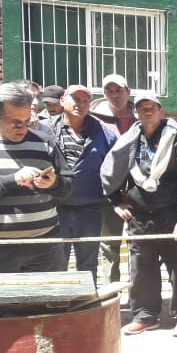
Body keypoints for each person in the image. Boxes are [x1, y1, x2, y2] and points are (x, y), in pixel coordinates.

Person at [102, 92, 177, 337]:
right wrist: (116, 202)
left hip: (172, 217)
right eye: (142, 108)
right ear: (135, 112)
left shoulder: (176, 141)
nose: (147, 112)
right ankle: (145, 316)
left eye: (152, 107)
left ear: (161, 111)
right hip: (140, 218)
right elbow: (113, 172)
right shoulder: (129, 142)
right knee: (141, 268)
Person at [0, 82, 74, 273]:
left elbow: (69, 185)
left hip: (45, 247)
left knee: (50, 293)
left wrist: (54, 183)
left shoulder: (44, 141)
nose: (23, 128)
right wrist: (12, 180)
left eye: (27, 121)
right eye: (16, 122)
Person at [49, 84, 117, 283]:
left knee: (88, 264)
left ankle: (87, 299)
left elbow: (114, 169)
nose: (80, 104)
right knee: (55, 261)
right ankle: (57, 300)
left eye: (85, 101)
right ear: (63, 100)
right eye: (76, 99)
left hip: (90, 208)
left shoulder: (103, 134)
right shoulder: (45, 130)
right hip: (55, 207)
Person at [92, 73, 137, 284]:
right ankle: (113, 291)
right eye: (109, 91)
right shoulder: (96, 120)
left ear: (128, 92)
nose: (115, 95)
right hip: (109, 192)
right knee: (110, 244)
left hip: (138, 191)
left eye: (119, 90)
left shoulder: (140, 116)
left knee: (138, 244)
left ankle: (137, 291)